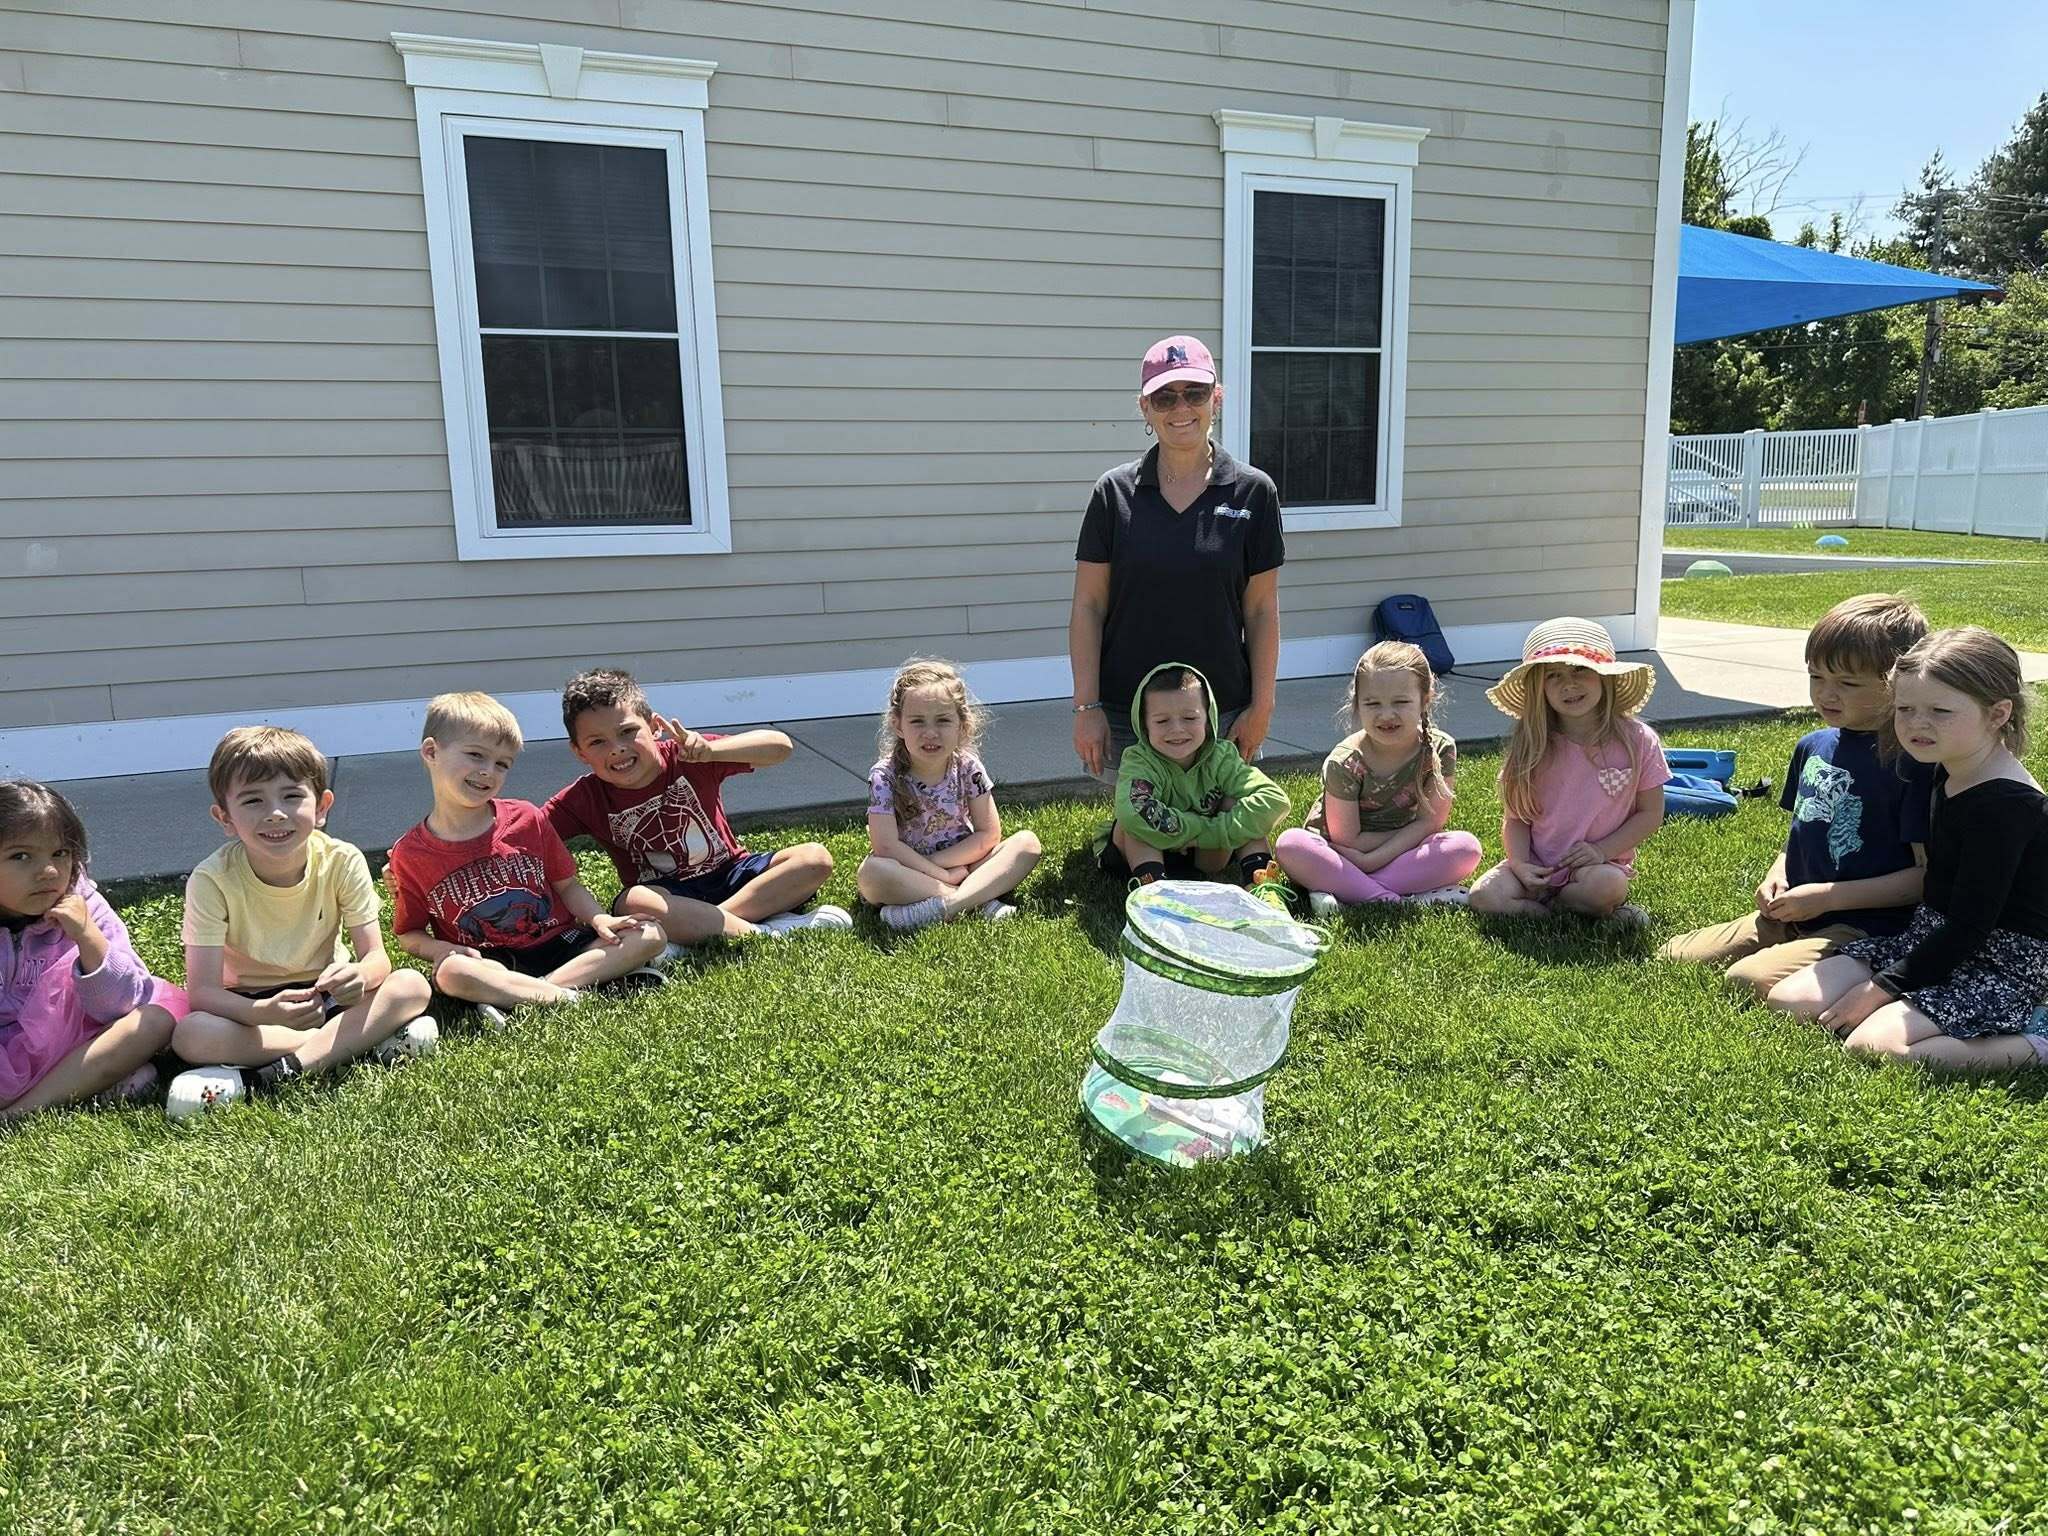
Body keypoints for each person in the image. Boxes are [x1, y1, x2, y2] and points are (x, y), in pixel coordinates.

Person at [1767, 627, 2048, 1072]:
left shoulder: (2005, 806)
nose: (1917, 724)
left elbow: (1969, 927)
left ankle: (2037, 1040)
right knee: (1787, 1000)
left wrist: (1879, 988)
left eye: (1939, 711)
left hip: (1999, 960)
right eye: (1904, 709)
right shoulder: (1946, 765)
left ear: (1997, 714)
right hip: (1929, 935)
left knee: (1876, 1047)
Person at [1661, 594, 1932, 995]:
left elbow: (1925, 879)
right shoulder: (1812, 746)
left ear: (1898, 683)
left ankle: (1852, 962)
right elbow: (1800, 831)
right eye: (1817, 677)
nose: (1826, 694)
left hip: (1866, 924)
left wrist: (1827, 898)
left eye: (1847, 683)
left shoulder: (1912, 764)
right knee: (1672, 955)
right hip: (1795, 911)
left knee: (1746, 981)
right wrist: (1778, 876)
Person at [170, 727, 436, 1114]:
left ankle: (270, 1075)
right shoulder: (212, 879)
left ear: (322, 806)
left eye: (292, 796)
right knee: (190, 1034)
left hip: (327, 992)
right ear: (224, 817)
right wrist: (262, 1012)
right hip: (250, 1007)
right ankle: (354, 1041)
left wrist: (359, 978)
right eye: (252, 801)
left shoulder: (342, 860)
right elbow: (204, 992)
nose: (275, 813)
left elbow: (377, 959)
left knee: (412, 986)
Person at [1070, 335, 1283, 778]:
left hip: (1222, 711)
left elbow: (1261, 611)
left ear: (1216, 398)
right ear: (1145, 408)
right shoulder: (1113, 493)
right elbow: (1088, 607)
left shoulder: (1254, 492)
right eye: (1164, 397)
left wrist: (1261, 706)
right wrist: (1086, 707)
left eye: (1194, 392)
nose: (1181, 408)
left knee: (1224, 841)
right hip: (1128, 712)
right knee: (1145, 840)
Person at [387, 692, 667, 1028]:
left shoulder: (527, 818)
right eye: (476, 755)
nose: (488, 772)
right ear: (432, 752)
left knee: (650, 934)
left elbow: (568, 886)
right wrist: (439, 951)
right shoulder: (410, 854)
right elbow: (410, 934)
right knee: (451, 972)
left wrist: (599, 919)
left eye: (502, 763)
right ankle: (575, 993)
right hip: (491, 963)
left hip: (562, 944)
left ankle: (527, 995)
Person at [546, 667, 850, 951]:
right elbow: (525, 831)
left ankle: (700, 929)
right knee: (633, 901)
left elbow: (780, 746)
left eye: (627, 731)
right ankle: (763, 931)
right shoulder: (583, 798)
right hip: (667, 896)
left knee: (814, 858)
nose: (617, 748)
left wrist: (712, 750)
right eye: (597, 741)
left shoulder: (691, 756)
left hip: (732, 875)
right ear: (579, 752)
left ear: (654, 727)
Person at [0, 780, 184, 1122]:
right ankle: (86, 1089)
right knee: (139, 1076)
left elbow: (123, 1004)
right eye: (20, 856)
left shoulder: (82, 904)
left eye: (60, 853)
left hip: (68, 1046)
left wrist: (87, 936)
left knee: (153, 1019)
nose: (49, 872)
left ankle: (19, 1114)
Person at [1467, 618, 1670, 923]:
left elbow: (1650, 814)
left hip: (1596, 866)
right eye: (1554, 675)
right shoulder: (1532, 745)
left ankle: (1568, 904)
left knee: (1608, 886)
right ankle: (1556, 912)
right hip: (1537, 866)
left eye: (1581, 670)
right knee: (1483, 896)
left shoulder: (1637, 741)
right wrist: (1520, 864)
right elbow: (1516, 819)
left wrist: (1601, 851)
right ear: (1540, 687)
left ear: (1605, 678)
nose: (1569, 684)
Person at [1273, 640, 1482, 916]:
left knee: (1466, 848)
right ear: (1357, 703)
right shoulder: (1345, 761)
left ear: (1426, 698)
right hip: (1339, 854)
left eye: (1401, 702)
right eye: (1373, 703)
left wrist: (1372, 860)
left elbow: (1431, 821)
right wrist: (1366, 858)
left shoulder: (1440, 749)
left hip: (1397, 851)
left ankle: (1347, 890)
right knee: (1290, 845)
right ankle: (1398, 899)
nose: (1386, 715)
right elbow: (1347, 839)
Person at [858, 658, 1042, 933]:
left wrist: (943, 865)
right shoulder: (884, 776)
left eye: (943, 720)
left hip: (963, 862)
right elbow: (886, 847)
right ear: (898, 725)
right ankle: (980, 900)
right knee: (872, 874)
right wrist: (940, 875)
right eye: (917, 721)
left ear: (962, 725)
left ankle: (947, 906)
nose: (930, 733)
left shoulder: (968, 768)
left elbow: (988, 835)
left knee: (1028, 844)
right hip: (908, 871)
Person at [1097, 661, 1291, 887]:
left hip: (1205, 854)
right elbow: (1133, 811)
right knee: (1130, 824)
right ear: (1144, 725)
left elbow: (1275, 800)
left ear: (1208, 721)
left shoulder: (1222, 756)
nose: (1177, 729)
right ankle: (1154, 893)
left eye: (1189, 718)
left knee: (1238, 802)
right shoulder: (1139, 760)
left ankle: (1263, 886)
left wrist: (1211, 832)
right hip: (1140, 856)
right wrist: (1199, 827)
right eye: (1162, 721)